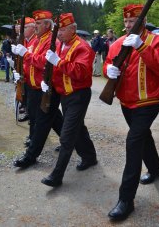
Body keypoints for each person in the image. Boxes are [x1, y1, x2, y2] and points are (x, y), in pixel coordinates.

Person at [103, 4, 159, 222]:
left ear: (142, 21)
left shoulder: (157, 41)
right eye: (125, 21)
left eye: (132, 21)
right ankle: (155, 168)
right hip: (127, 102)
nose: (127, 25)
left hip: (148, 103)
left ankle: (126, 200)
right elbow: (108, 62)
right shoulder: (117, 43)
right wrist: (108, 70)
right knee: (143, 136)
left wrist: (142, 46)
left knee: (133, 142)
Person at [40, 12, 97, 188]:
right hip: (64, 94)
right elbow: (52, 69)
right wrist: (46, 80)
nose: (59, 34)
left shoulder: (83, 47)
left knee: (67, 134)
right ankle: (89, 156)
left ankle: (57, 176)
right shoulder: (59, 44)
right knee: (77, 126)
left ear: (73, 29)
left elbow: (81, 72)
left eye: (63, 30)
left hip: (78, 95)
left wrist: (59, 62)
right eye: (58, 31)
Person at [12, 10, 63, 168]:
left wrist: (26, 54)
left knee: (40, 122)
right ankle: (74, 142)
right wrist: (20, 74)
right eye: (34, 24)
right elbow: (29, 64)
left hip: (45, 88)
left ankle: (31, 156)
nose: (35, 27)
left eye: (38, 24)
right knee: (52, 119)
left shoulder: (50, 41)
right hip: (33, 87)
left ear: (48, 25)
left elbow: (43, 62)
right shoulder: (37, 40)